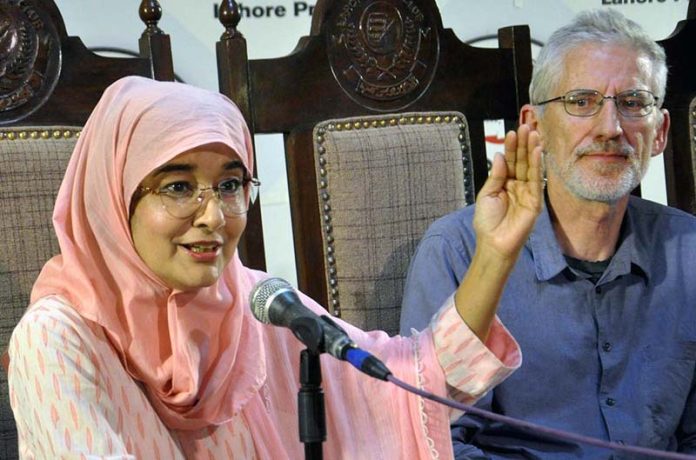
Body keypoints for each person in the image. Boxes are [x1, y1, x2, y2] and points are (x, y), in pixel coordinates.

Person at [6, 75, 543, 458]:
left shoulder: (256, 304)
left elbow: (413, 386)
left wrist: (494, 254)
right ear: (113, 200)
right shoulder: (57, 339)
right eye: (177, 187)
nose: (214, 216)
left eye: (231, 184)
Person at [399, 9, 696, 458]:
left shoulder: (689, 251)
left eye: (633, 102)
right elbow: (434, 441)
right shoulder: (459, 253)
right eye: (581, 101)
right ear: (534, 126)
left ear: (660, 133)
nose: (610, 128)